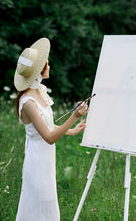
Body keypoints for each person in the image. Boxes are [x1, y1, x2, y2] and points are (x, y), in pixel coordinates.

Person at [14, 38, 88, 220]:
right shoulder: (28, 102)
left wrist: (72, 130)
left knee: (47, 202)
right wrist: (74, 116)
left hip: (46, 159)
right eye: (46, 62)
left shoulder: (39, 91)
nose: (49, 64)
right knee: (39, 203)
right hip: (37, 161)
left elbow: (46, 124)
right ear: (40, 69)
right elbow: (48, 137)